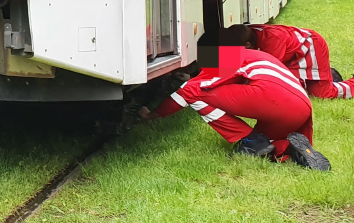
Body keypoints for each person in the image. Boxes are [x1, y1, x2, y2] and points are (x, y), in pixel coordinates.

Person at [139, 45, 329, 170]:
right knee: (269, 147)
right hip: (302, 108)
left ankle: (250, 141)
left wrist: (153, 114)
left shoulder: (223, 59)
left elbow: (191, 89)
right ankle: (292, 150)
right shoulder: (255, 55)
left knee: (193, 92)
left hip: (276, 104)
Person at [233, 23, 354, 99]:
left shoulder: (271, 40)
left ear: (248, 45)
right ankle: (326, 75)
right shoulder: (243, 34)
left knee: (322, 94)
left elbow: (271, 73)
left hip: (310, 47)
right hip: (291, 55)